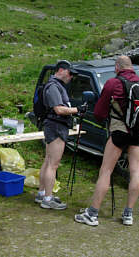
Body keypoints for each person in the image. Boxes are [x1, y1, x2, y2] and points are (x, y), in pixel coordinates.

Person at [74, 56, 139, 226]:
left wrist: (107, 120)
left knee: (106, 171)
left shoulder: (113, 83)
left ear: (118, 67)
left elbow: (99, 112)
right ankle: (128, 214)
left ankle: (92, 214)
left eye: (115, 67)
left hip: (119, 132)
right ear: (132, 67)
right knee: (135, 171)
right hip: (138, 132)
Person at [35, 60, 86, 210]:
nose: (71, 77)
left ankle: (42, 193)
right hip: (56, 127)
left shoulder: (56, 86)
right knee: (53, 164)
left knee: (48, 161)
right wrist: (78, 110)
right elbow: (58, 109)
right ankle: (48, 199)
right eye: (70, 73)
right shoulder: (53, 87)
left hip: (54, 126)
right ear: (61, 70)